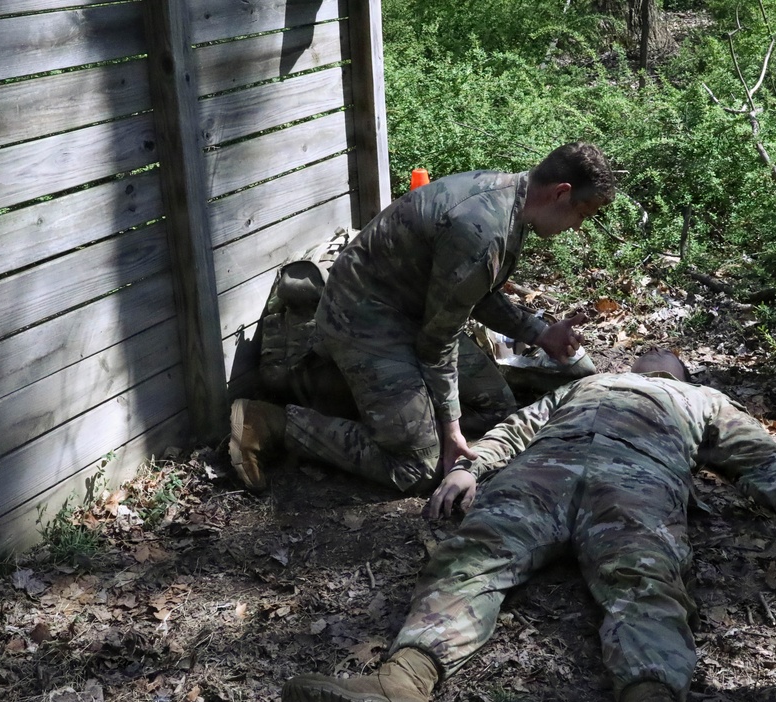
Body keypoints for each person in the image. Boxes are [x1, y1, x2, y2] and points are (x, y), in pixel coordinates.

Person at [280, 349, 776, 702]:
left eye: (667, 358)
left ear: (681, 370)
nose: (654, 356)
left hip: (637, 479)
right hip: (541, 473)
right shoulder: (583, 385)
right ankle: (401, 683)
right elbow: (519, 426)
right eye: (646, 355)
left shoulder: (701, 398)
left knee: (645, 576)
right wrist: (470, 469)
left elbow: (759, 456)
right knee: (472, 554)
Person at [229, 142, 616, 494]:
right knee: (418, 467)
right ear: (561, 193)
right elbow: (437, 344)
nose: (576, 226)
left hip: (411, 315)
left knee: (497, 407)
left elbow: (474, 294)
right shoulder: (483, 228)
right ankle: (274, 423)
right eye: (581, 214)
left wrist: (540, 332)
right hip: (365, 321)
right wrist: (449, 430)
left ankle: (386, 412)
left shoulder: (508, 200)